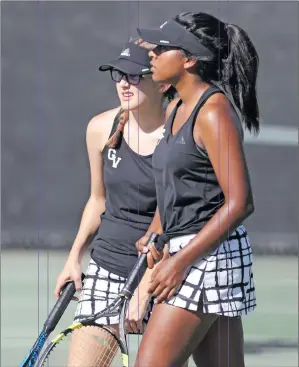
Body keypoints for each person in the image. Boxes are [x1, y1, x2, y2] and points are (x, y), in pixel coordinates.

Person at [135, 12, 259, 367]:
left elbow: (240, 203)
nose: (152, 55)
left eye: (162, 48)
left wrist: (179, 263)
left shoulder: (213, 112)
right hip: (187, 251)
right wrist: (155, 232)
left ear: (189, 59)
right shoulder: (175, 106)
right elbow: (173, 184)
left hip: (207, 258)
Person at [54, 40, 175, 366]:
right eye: (119, 74)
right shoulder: (100, 128)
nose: (124, 82)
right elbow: (97, 200)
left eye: (135, 75)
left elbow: (176, 217)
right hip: (107, 267)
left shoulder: (180, 136)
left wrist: (145, 287)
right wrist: (74, 257)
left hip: (165, 277)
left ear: (161, 81)